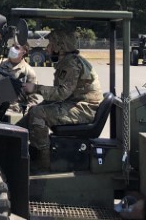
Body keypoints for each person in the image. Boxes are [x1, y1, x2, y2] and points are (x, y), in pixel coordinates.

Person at [21, 29, 103, 172]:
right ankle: (32, 151)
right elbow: (62, 94)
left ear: (60, 46)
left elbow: (62, 93)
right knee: (36, 109)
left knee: (38, 114)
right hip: (77, 103)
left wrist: (35, 88)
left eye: (50, 44)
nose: (47, 49)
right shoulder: (68, 61)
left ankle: (44, 162)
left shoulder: (71, 64)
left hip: (85, 108)